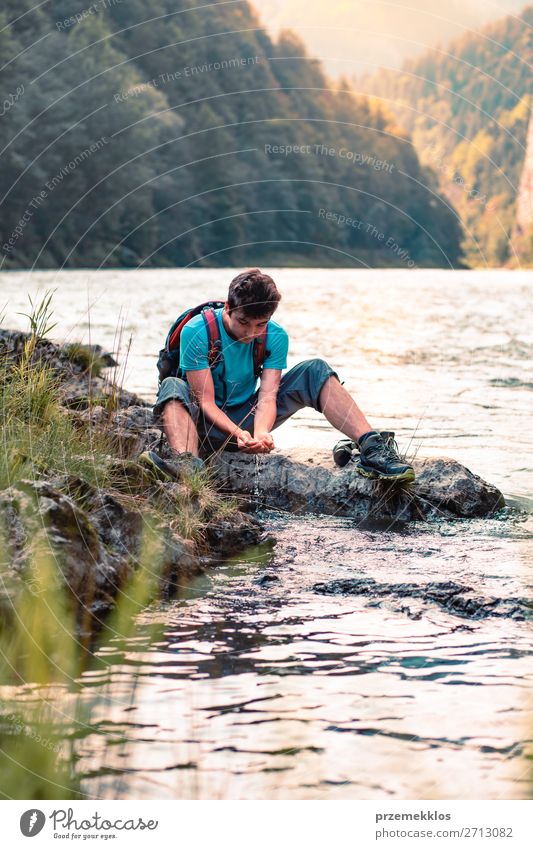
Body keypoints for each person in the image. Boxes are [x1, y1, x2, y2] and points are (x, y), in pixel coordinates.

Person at [142, 268, 415, 482]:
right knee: (173, 385)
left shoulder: (275, 336)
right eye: (243, 323)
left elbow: (268, 397)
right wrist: (239, 433)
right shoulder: (197, 331)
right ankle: (188, 466)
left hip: (245, 421)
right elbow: (206, 403)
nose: (251, 333)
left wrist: (260, 434)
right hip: (200, 424)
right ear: (228, 308)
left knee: (315, 369)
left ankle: (372, 447)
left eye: (260, 324)